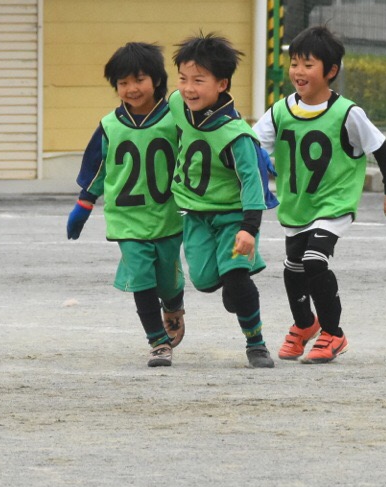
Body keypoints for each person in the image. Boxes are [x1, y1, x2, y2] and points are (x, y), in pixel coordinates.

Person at [253, 25, 386, 364]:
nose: (298, 71)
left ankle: (334, 334)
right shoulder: (280, 111)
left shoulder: (347, 113)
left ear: (331, 71)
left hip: (334, 204)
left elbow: (379, 147)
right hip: (297, 205)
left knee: (314, 260)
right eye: (294, 63)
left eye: (308, 64)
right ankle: (305, 325)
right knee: (292, 267)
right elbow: (252, 145)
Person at [66, 42, 187, 368]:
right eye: (122, 83)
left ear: (157, 81)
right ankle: (158, 342)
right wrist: (84, 205)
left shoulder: (175, 120)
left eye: (139, 79)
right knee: (141, 279)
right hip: (126, 218)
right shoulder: (110, 126)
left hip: (167, 215)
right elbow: (96, 168)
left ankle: (174, 303)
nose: (131, 89)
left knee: (167, 279)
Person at [169, 32, 274, 368]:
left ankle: (256, 343)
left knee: (236, 282)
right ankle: (233, 281)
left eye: (199, 80)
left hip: (233, 218)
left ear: (222, 84)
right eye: (183, 79)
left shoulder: (236, 134)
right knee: (201, 280)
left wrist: (249, 228)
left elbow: (252, 182)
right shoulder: (178, 105)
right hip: (195, 215)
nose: (188, 88)